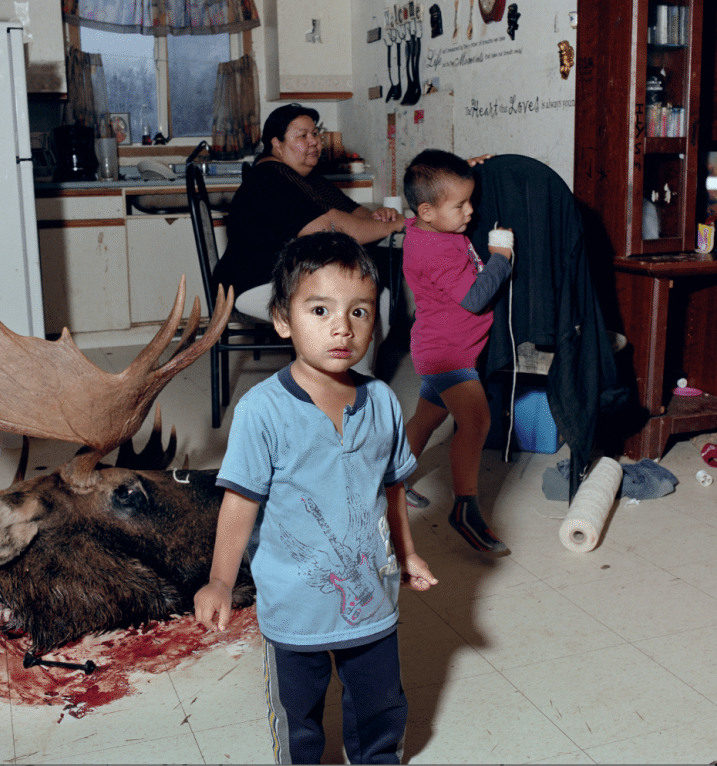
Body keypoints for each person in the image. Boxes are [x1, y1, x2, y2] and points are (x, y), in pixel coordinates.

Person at [195, 231, 437, 765]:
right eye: (320, 308)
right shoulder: (263, 411)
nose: (341, 328)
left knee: (380, 706)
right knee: (299, 718)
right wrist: (219, 578)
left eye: (360, 312)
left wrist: (407, 551)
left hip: (372, 597)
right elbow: (240, 502)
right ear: (283, 318)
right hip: (294, 604)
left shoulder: (383, 403)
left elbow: (391, 488)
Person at [212, 103, 405, 373]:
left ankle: (355, 378)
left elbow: (351, 210)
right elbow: (334, 226)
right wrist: (393, 225)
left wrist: (381, 217)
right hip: (251, 284)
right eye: (302, 136)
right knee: (351, 303)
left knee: (375, 295)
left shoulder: (304, 176)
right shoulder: (271, 178)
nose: (314, 142)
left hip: (287, 276)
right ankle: (350, 386)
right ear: (276, 144)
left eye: (315, 134)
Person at [400, 149, 514, 554]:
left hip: (441, 346)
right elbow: (474, 298)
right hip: (448, 353)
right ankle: (464, 510)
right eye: (460, 205)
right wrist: (501, 257)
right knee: (477, 423)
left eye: (470, 201)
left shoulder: (427, 226)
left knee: (427, 419)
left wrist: (461, 171)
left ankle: (389, 484)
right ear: (427, 210)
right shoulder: (437, 251)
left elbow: (436, 192)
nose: (469, 212)